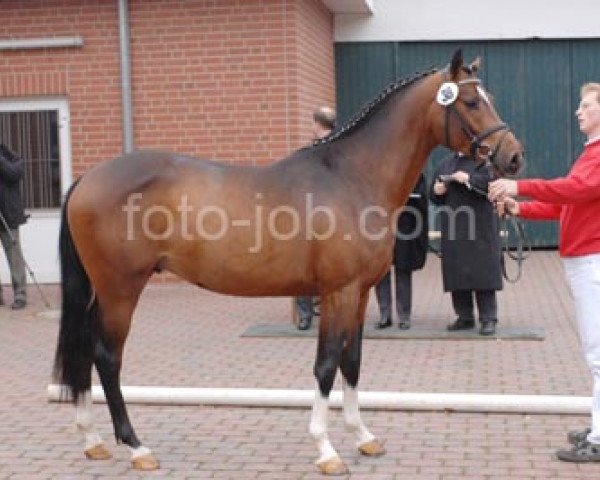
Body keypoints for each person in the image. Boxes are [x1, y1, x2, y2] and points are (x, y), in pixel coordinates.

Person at [489, 82, 600, 462]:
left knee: (598, 352)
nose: (578, 111)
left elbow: (572, 189)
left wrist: (517, 186)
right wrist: (520, 207)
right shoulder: (590, 154)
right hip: (584, 261)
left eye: (586, 106)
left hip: (593, 262)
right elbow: (567, 204)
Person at [430, 152, 502, 336]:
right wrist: (436, 190)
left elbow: (492, 185)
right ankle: (464, 316)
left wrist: (469, 179)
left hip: (480, 227)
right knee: (457, 272)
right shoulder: (446, 163)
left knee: (483, 272)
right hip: (454, 226)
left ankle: (488, 318)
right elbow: (433, 193)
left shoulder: (484, 162)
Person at [297, 106, 336, 330]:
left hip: (309, 215)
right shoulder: (341, 150)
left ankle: (305, 315)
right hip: (333, 218)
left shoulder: (309, 153)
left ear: (316, 124)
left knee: (303, 264)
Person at [375, 174, 428, 330]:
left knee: (403, 269)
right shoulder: (379, 170)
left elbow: (421, 198)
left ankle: (404, 316)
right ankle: (385, 314)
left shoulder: (413, 170)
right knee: (381, 272)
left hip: (405, 226)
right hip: (381, 227)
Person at [0, 143, 28, 309]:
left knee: (14, 255)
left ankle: (20, 294)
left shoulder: (12, 157)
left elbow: (14, 174)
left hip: (9, 216)